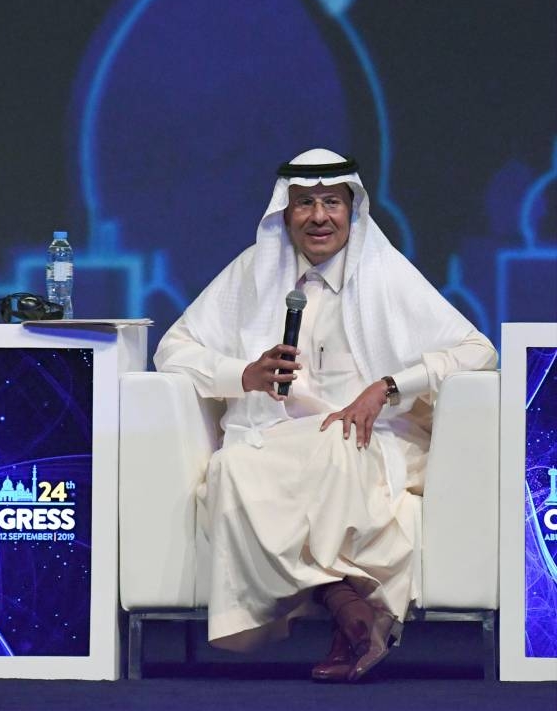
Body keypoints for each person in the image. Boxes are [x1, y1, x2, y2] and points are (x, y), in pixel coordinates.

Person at [154, 148, 496, 682]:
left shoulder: (385, 275)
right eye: (305, 203)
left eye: (332, 202)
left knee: (332, 448)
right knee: (230, 470)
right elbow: (173, 350)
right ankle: (346, 605)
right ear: (284, 214)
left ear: (351, 208)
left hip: (367, 435)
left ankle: (342, 607)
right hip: (274, 437)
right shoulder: (252, 273)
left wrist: (386, 387)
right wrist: (242, 374)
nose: (319, 217)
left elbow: (478, 351)